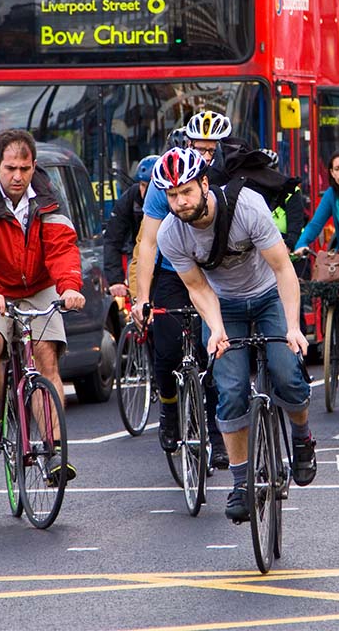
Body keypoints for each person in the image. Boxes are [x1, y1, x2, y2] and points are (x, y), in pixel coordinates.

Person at [152, 147, 316, 522]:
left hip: (268, 295)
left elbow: (283, 269)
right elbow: (198, 289)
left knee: (288, 374)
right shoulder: (170, 235)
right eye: (172, 195)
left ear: (205, 184)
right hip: (223, 304)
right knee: (229, 390)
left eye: (186, 192)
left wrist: (292, 327)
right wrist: (218, 331)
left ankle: (303, 439)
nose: (180, 202)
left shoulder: (248, 207)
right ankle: (241, 483)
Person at [0, 129, 85, 480]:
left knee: (45, 357)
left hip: (38, 284)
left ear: (33, 166)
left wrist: (69, 286)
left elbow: (62, 246)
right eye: (10, 168)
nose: (17, 176)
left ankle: (54, 450)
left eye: (24, 169)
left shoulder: (46, 192)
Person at [133, 114, 232, 470]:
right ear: (186, 143)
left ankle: (218, 436)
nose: (205, 155)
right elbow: (147, 242)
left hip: (214, 268)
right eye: (199, 148)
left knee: (212, 357)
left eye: (211, 149)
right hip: (174, 270)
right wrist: (142, 297)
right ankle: (170, 409)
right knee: (168, 345)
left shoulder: (225, 172)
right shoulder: (167, 176)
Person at [104, 155, 159, 298]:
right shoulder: (130, 198)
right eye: (142, 185)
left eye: (151, 186)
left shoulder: (172, 198)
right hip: (139, 253)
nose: (146, 191)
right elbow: (112, 238)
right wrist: (116, 280)